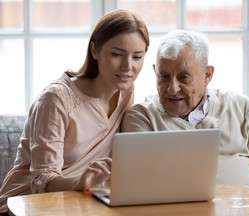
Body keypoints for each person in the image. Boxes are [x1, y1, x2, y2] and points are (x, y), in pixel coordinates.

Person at [0, 9, 149, 214]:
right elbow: (42, 179)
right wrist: (80, 183)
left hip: (79, 203)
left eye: (137, 57)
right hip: (25, 205)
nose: (127, 67)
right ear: (95, 50)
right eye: (116, 54)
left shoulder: (126, 93)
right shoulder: (55, 100)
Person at [121, 29, 249, 201]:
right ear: (155, 72)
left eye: (183, 77)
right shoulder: (141, 117)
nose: (172, 88)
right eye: (164, 76)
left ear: (207, 75)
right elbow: (143, 188)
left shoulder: (242, 107)